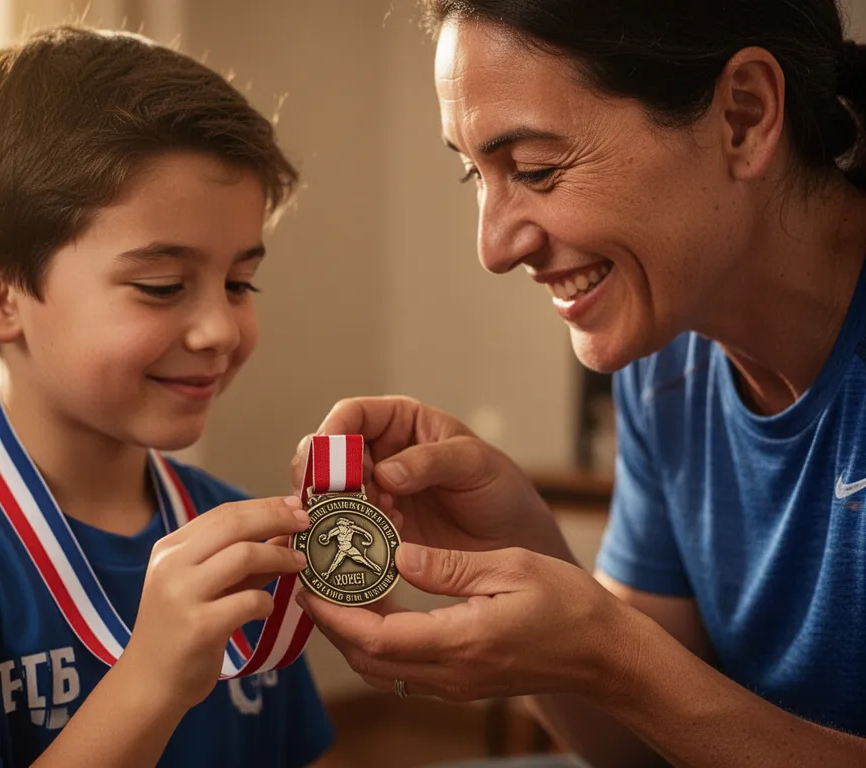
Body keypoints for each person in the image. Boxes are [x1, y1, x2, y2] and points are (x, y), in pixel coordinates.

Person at [291, 1, 866, 766]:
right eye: (474, 174)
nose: (493, 248)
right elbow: (639, 751)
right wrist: (520, 543)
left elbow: (642, 684)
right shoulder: (666, 361)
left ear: (744, 115)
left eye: (536, 169)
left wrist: (612, 654)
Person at [0, 26, 332, 768]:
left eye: (240, 283)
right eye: (161, 286)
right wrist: (150, 682)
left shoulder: (237, 540)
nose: (221, 329)